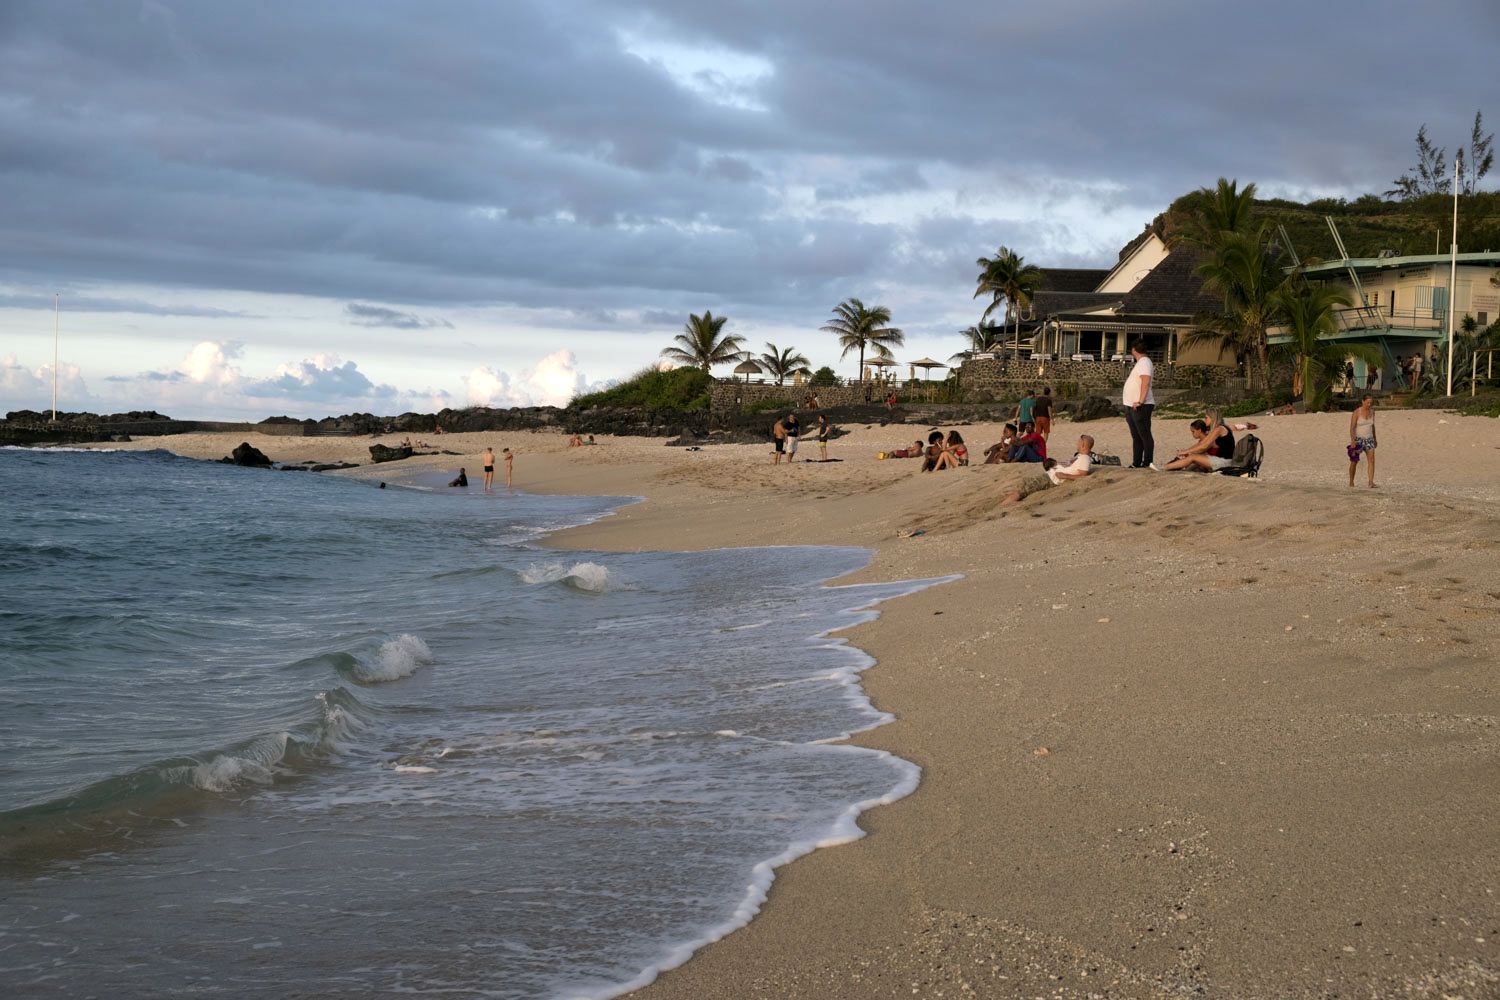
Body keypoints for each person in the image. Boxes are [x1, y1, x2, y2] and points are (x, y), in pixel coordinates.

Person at [1159, 413, 1235, 472]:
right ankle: (1169, 468)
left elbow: (1204, 446)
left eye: (1206, 417)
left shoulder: (1219, 428)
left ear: (1212, 417)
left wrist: (1186, 452)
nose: (1205, 420)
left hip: (1224, 462)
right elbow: (1201, 444)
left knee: (1193, 457)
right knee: (1193, 458)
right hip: (1221, 461)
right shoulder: (1216, 430)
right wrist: (1185, 451)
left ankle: (1163, 468)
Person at [1123, 340, 1155, 468]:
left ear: (1133, 350)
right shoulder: (1142, 363)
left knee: (1144, 434)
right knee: (1136, 436)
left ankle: (1147, 462)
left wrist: (1140, 401)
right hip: (1131, 405)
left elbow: (1145, 382)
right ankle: (1136, 462)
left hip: (1141, 405)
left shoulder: (1145, 362)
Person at [1349, 394, 1377, 488]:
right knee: (1354, 461)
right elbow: (1352, 428)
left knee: (1372, 460)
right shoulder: (1357, 412)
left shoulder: (1372, 412)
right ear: (1363, 401)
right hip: (1358, 440)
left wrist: (1375, 438)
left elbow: (1373, 426)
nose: (1369, 404)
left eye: (1370, 403)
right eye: (1367, 402)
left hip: (1369, 439)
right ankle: (1351, 481)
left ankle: (1370, 482)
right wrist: (1353, 440)